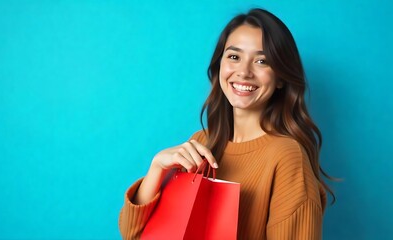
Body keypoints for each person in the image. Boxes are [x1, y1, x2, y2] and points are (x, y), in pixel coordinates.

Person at [119, 8, 335, 239]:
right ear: (220, 65)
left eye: (262, 61)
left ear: (280, 78)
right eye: (234, 56)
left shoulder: (287, 157)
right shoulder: (200, 143)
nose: (244, 72)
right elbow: (135, 234)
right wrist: (157, 168)